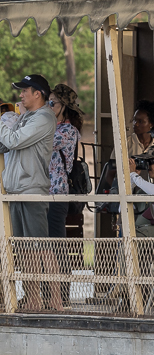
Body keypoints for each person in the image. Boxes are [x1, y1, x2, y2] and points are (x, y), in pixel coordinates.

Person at [2, 74, 57, 311]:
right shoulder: (27, 117)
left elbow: (12, 141)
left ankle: (54, 300)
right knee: (24, 249)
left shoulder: (44, 117)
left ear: (38, 93)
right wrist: (11, 121)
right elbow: (7, 144)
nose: (20, 95)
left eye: (25, 91)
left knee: (40, 247)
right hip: (16, 190)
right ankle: (33, 296)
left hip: (32, 189)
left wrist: (4, 121)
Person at [47, 84, 84, 239]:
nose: (48, 107)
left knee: (55, 238)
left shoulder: (67, 131)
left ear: (63, 107)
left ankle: (61, 264)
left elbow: (43, 143)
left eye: (51, 103)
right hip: (46, 190)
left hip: (57, 191)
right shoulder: (54, 128)